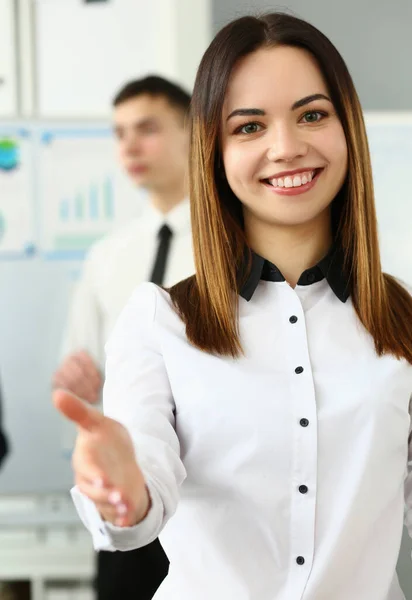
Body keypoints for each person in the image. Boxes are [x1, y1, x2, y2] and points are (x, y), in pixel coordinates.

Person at [54, 12, 412, 600]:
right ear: (213, 147)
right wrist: (121, 492)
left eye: (312, 114)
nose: (286, 148)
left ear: (348, 129)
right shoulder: (159, 319)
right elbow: (141, 495)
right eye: (249, 126)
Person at [52, 76, 194, 599]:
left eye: (147, 129)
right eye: (119, 133)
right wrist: (77, 379)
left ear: (193, 134)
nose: (129, 146)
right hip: (124, 486)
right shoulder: (107, 255)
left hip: (208, 490)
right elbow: (80, 366)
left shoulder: (235, 247)